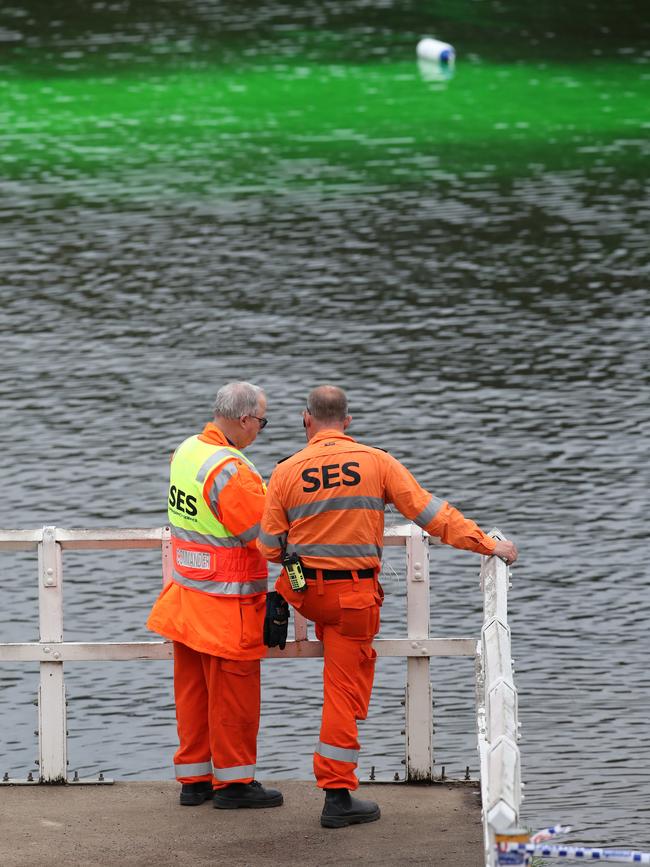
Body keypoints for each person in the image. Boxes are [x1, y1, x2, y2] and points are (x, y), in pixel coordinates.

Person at [257, 385, 518, 829]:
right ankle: (337, 796)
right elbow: (432, 515)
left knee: (323, 676)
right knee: (342, 692)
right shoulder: (377, 462)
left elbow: (267, 547)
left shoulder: (284, 472)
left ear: (306, 420)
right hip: (354, 600)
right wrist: (488, 544)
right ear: (348, 421)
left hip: (307, 596)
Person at [147, 381, 283, 810]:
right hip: (227, 604)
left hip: (186, 595)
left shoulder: (185, 451)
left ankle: (195, 780)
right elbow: (262, 538)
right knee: (233, 698)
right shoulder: (232, 469)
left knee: (192, 695)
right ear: (244, 419)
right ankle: (235, 784)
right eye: (262, 422)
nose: (261, 430)